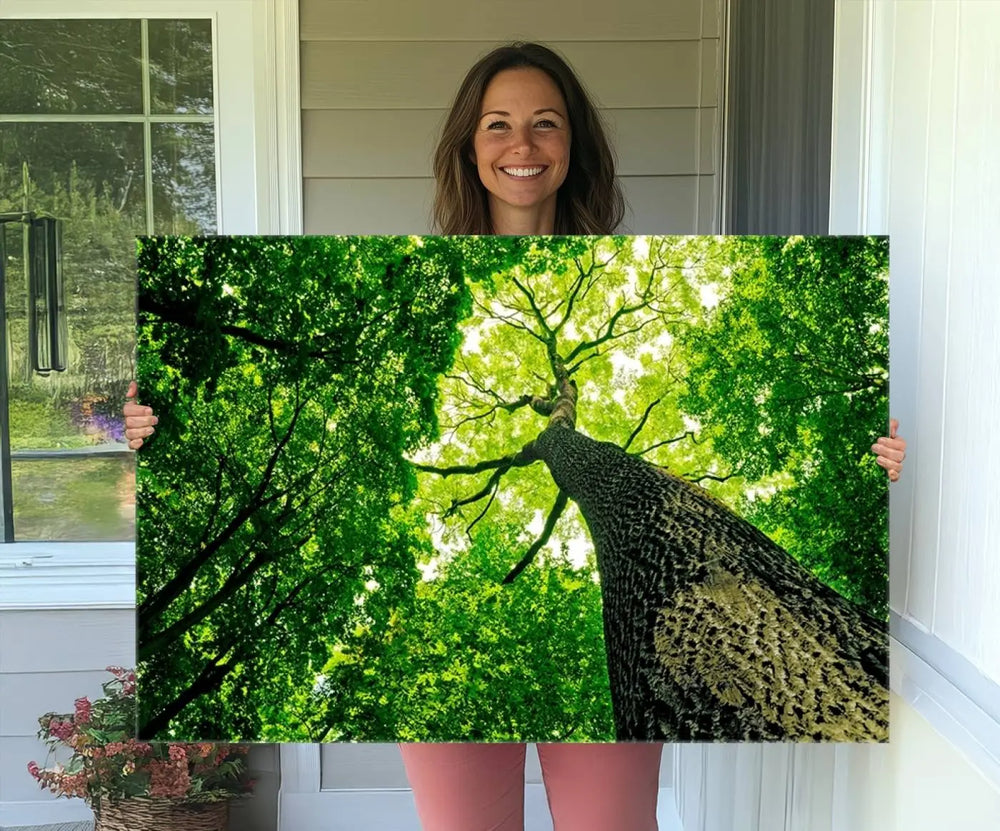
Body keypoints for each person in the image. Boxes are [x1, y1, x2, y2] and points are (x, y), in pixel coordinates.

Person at [124, 42, 907, 831]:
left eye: (545, 124)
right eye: (498, 125)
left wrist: (870, 458)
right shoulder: (407, 276)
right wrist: (157, 430)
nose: (522, 145)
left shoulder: (655, 258)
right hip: (448, 619)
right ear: (470, 146)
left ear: (573, 146)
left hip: (624, 618)